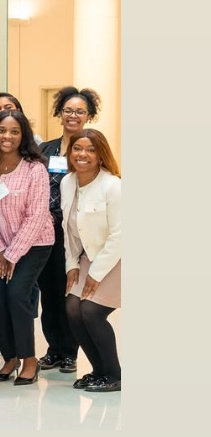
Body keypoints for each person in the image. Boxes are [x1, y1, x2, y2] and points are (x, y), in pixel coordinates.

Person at [0, 110, 55, 386]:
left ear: (23, 136)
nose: (8, 136)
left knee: (17, 294)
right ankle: (10, 357)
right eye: (3, 131)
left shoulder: (35, 168)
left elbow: (37, 215)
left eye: (15, 132)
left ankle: (29, 360)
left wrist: (13, 253)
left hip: (35, 243)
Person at [37, 86, 102, 374]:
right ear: (59, 113)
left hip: (76, 233)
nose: (73, 116)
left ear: (88, 115)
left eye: (79, 111)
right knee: (49, 294)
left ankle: (70, 353)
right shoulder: (45, 150)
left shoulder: (90, 148)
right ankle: (53, 350)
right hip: (45, 232)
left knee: (70, 293)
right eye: (68, 110)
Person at [60, 129, 122, 393]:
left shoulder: (113, 185)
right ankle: (99, 372)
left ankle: (116, 375)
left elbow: (121, 233)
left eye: (90, 149)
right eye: (77, 148)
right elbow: (69, 229)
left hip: (116, 257)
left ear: (100, 155)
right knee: (73, 310)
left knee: (92, 312)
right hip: (87, 257)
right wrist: (72, 265)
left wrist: (96, 273)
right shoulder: (68, 182)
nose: (82, 154)